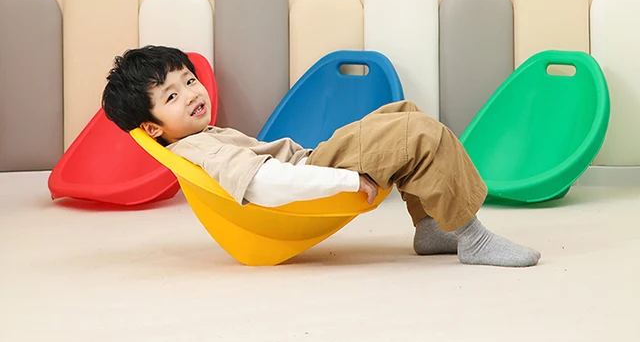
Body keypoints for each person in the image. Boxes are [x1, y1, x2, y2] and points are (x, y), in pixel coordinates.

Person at [102, 45, 541, 268]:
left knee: (403, 114)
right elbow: (265, 185)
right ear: (152, 127)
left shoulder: (196, 137)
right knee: (420, 134)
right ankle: (473, 238)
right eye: (172, 96)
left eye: (189, 80)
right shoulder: (203, 148)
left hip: (312, 161)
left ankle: (430, 228)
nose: (192, 94)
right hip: (313, 172)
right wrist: (347, 181)